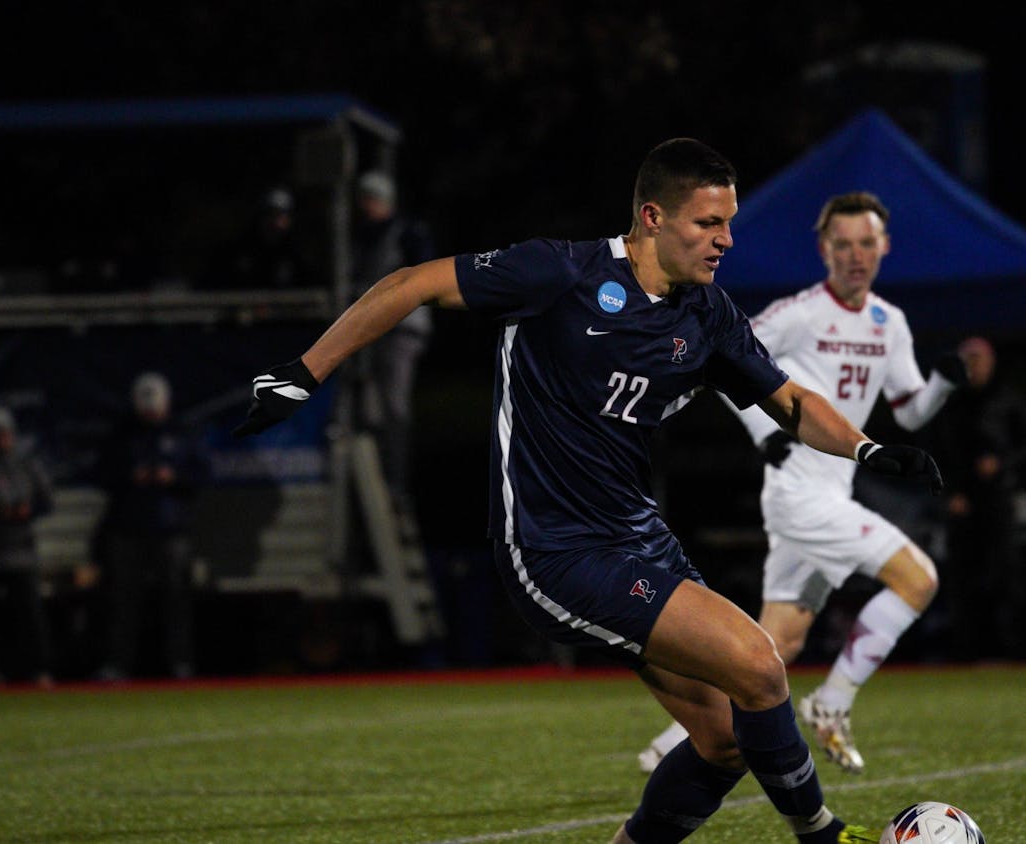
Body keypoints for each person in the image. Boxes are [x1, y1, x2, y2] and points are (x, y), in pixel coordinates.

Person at [233, 138, 943, 843]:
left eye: (728, 224)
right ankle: (821, 834)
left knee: (725, 738)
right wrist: (305, 372)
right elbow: (411, 283)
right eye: (708, 223)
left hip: (638, 539)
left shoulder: (707, 313)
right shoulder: (559, 272)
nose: (726, 240)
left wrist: (869, 448)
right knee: (760, 664)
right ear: (653, 217)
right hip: (555, 551)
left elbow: (790, 401)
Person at [636, 191, 962, 776]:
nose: (856, 255)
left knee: (775, 646)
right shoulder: (800, 313)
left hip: (834, 492)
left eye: (866, 243)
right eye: (843, 244)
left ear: (884, 247)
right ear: (824, 249)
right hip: (798, 492)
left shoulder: (889, 322)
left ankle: (669, 745)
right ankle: (832, 704)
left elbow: (910, 411)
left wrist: (942, 384)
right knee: (919, 578)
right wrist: (766, 434)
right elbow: (722, 361)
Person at [92, 372, 208, 680]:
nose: (150, 413)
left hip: (171, 530)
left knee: (176, 601)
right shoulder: (123, 436)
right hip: (127, 530)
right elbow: (101, 474)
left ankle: (181, 664)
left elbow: (201, 475)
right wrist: (130, 476)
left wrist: (174, 478)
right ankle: (118, 664)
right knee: (123, 602)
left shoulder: (181, 434)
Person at [930, 335, 1026, 658]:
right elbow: (934, 452)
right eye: (968, 361)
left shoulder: (1008, 400)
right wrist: (949, 492)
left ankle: (1011, 648)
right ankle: (966, 650)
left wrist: (1001, 464)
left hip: (998, 500)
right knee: (962, 577)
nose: (974, 367)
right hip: (961, 502)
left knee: (1005, 573)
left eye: (979, 360)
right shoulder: (948, 404)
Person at [350, 170, 438, 519]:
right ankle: (374, 483)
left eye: (370, 200)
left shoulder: (407, 232)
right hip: (370, 330)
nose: (366, 207)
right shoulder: (361, 237)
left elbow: (425, 276)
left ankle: (396, 486)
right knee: (369, 410)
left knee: (394, 410)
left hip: (400, 329)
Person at [0, 406, 54, 686]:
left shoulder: (25, 464)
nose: (2, 439)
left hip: (21, 552)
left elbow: (46, 501)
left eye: (5, 434)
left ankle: (37, 670)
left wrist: (26, 510)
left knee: (29, 615)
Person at [208, 187, 310, 290]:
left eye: (281, 215)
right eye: (271, 214)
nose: (275, 222)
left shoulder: (296, 254)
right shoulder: (240, 251)